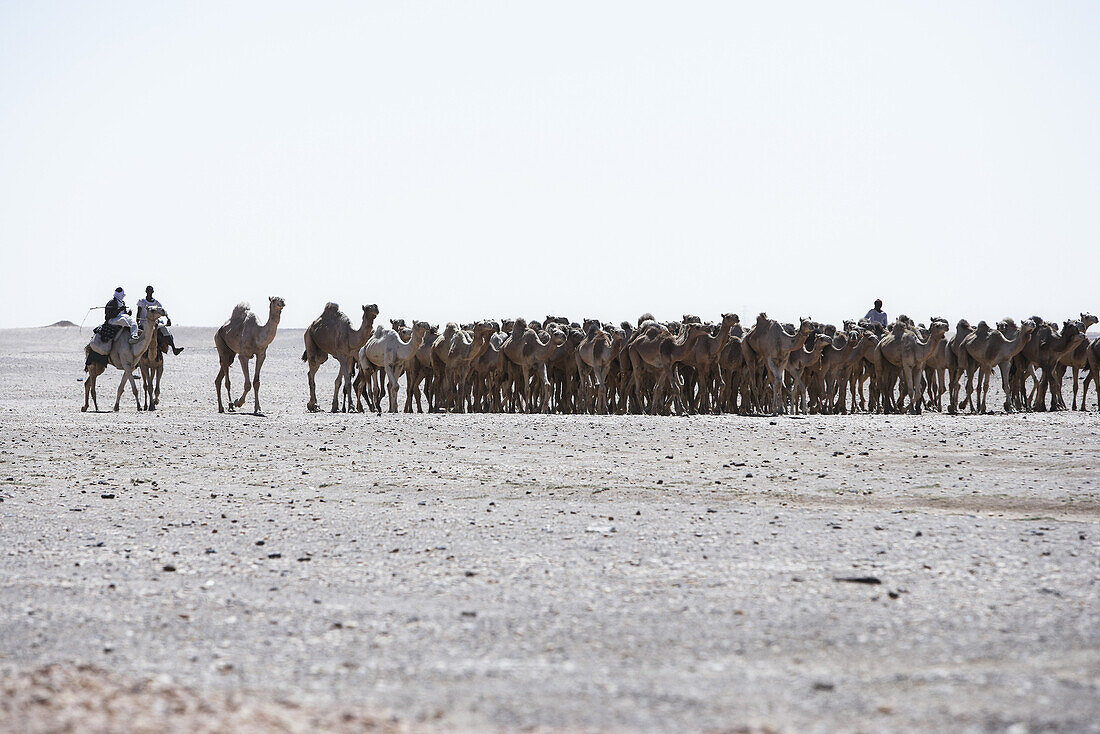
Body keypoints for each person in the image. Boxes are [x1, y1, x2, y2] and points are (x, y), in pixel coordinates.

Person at [136, 285, 184, 355]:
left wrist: (168, 318)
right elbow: (138, 312)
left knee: (165, 330)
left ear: (153, 292)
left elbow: (163, 311)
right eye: (148, 290)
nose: (149, 292)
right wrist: (137, 322)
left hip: (156, 321)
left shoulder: (157, 303)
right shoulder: (142, 301)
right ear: (146, 291)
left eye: (151, 290)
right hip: (145, 322)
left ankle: (174, 349)